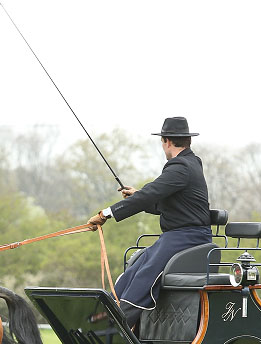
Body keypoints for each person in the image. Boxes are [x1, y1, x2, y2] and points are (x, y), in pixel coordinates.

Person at [88, 116, 211, 327]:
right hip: (176, 237)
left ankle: (117, 323)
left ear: (167, 141)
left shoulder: (180, 166)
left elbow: (151, 194)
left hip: (188, 238)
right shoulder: (190, 164)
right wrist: (138, 194)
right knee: (135, 268)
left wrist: (106, 214)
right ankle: (104, 313)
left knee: (147, 273)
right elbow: (163, 205)